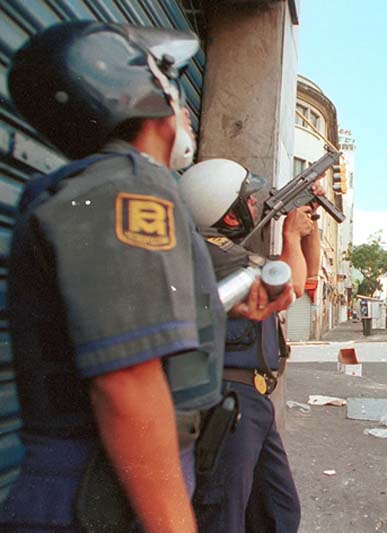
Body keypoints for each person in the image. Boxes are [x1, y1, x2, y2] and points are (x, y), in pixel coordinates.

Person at [0, 21, 231, 532]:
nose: (184, 106)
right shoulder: (127, 189)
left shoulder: (106, 188)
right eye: (171, 81)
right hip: (97, 491)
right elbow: (127, 379)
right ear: (140, 91)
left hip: (107, 482)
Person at [180, 158, 321, 532]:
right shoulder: (214, 253)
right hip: (229, 403)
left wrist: (309, 226)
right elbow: (289, 287)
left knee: (277, 512)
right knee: (223, 514)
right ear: (228, 215)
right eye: (249, 199)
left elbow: (307, 277)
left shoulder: (230, 253)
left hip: (252, 402)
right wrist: (291, 236)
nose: (256, 205)